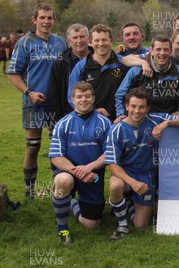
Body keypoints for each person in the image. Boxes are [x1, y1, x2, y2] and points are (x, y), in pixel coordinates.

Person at [104, 88, 179, 240]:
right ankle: (122, 226)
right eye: (133, 106)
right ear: (127, 106)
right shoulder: (116, 130)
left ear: (147, 108)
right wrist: (132, 183)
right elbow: (112, 164)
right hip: (126, 175)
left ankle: (127, 203)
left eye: (141, 107)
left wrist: (166, 124)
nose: (137, 111)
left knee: (140, 225)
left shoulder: (155, 120)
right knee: (115, 185)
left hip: (146, 175)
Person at [7, 3, 68, 201]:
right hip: (33, 102)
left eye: (50, 17)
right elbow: (13, 74)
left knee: (57, 147)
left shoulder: (61, 43)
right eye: (42, 17)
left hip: (56, 104)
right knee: (33, 146)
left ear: (54, 20)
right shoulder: (25, 43)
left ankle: (58, 189)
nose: (46, 21)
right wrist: (29, 92)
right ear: (35, 20)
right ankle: (30, 192)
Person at [49, 82, 112, 245]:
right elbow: (56, 157)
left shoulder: (105, 123)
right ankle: (63, 230)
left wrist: (89, 168)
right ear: (72, 100)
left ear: (93, 98)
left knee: (92, 225)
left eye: (87, 96)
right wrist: (78, 171)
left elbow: (109, 154)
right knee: (62, 181)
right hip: (69, 172)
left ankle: (69, 202)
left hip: (93, 175)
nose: (83, 100)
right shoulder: (63, 123)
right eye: (79, 96)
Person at [115, 35, 179, 120]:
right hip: (140, 120)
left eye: (165, 49)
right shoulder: (136, 71)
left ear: (170, 52)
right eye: (158, 49)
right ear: (151, 51)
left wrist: (177, 114)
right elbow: (120, 95)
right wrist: (121, 115)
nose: (162, 53)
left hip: (167, 122)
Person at [68, 24, 127, 122]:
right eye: (97, 40)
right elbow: (72, 97)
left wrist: (124, 115)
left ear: (111, 41)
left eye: (104, 40)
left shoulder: (123, 63)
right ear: (90, 42)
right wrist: (93, 111)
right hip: (90, 120)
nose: (101, 43)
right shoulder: (81, 67)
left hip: (119, 121)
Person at [47, 23, 92, 126]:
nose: (79, 41)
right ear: (69, 41)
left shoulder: (99, 58)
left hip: (96, 115)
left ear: (88, 39)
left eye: (82, 37)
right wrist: (57, 121)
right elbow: (54, 94)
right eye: (75, 37)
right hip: (69, 116)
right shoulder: (60, 62)